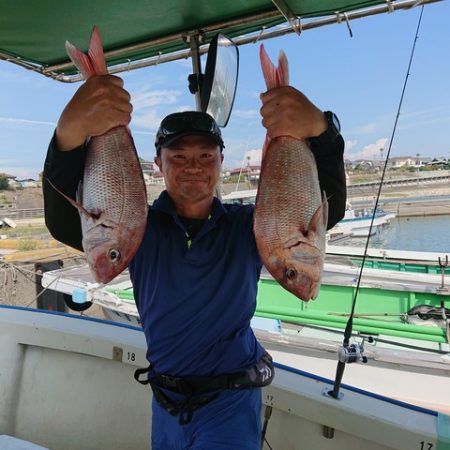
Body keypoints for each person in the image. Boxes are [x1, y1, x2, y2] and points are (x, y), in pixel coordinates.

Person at [43, 73, 346, 449]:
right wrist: (68, 131)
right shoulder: (135, 229)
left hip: (230, 403)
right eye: (179, 157)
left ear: (221, 160)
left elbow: (326, 211)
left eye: (205, 156)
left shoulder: (249, 227)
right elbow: (60, 221)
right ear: (158, 163)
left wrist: (321, 129)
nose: (193, 167)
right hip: (166, 401)